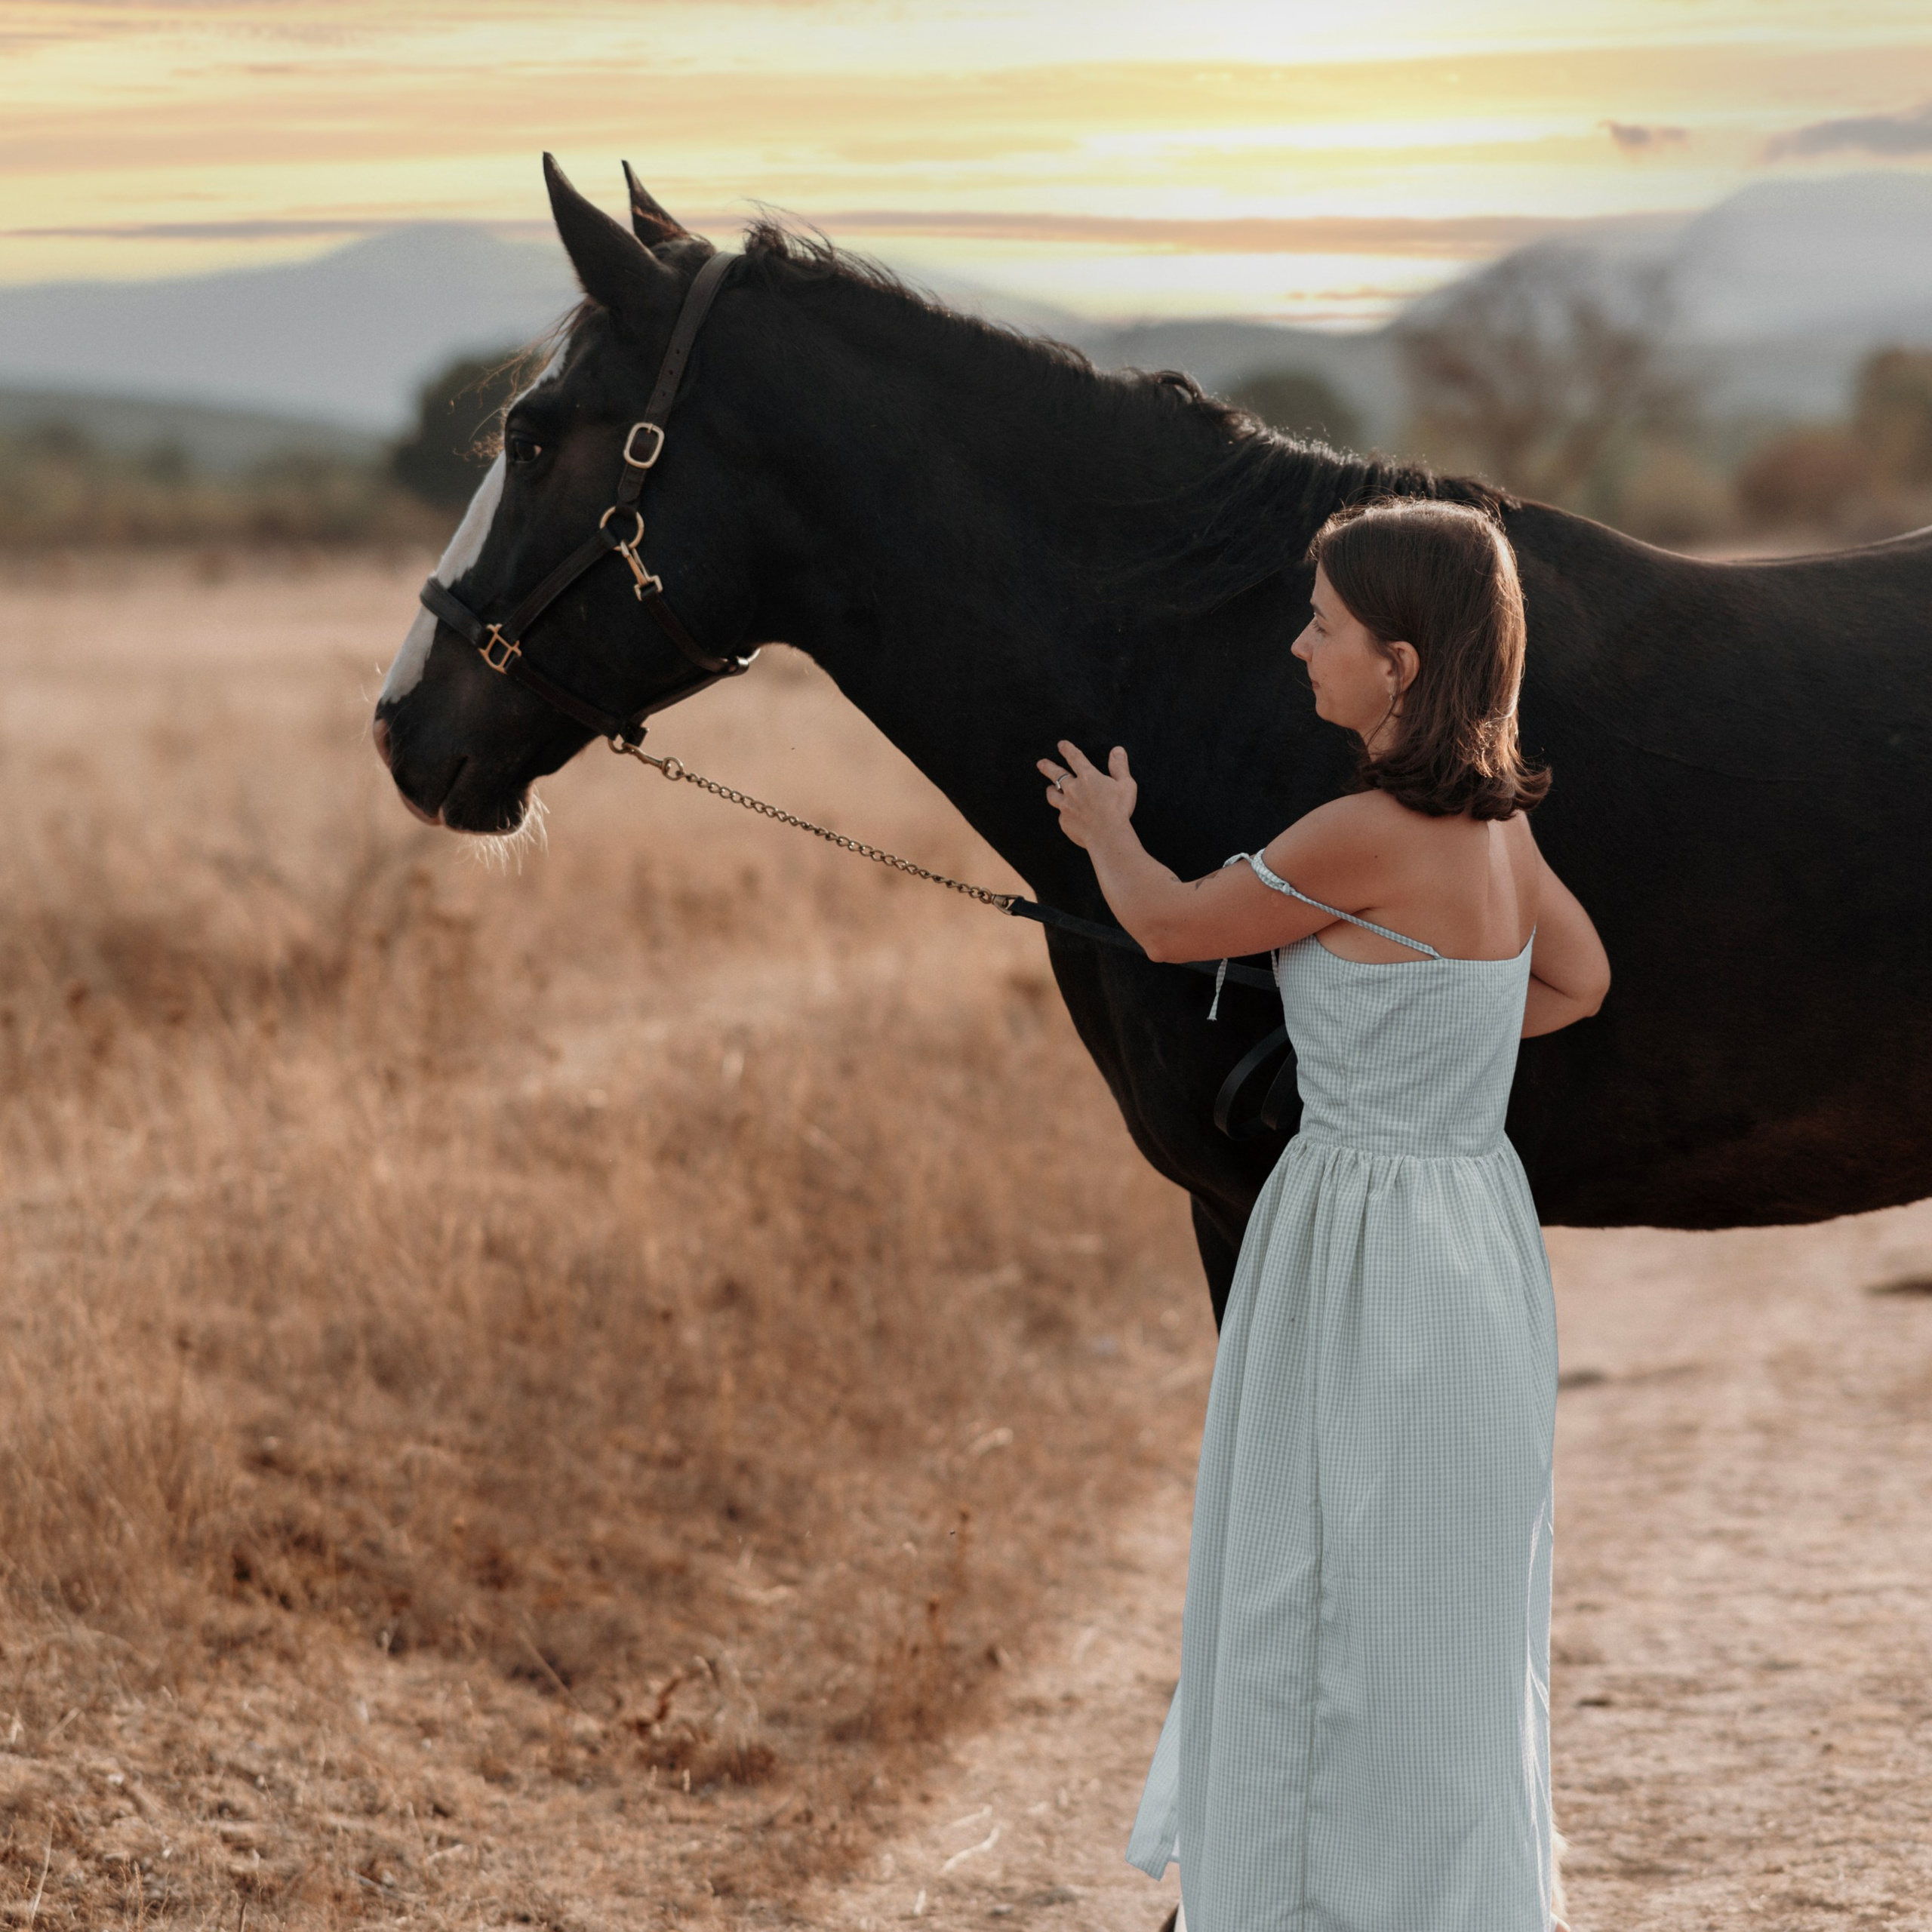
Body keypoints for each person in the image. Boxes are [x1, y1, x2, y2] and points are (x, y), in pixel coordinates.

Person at [1036, 497, 1609, 1932]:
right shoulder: (1503, 839)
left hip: (1359, 1245)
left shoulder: (1360, 831)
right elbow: (1577, 984)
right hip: (1475, 1228)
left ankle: (1303, 1900)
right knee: (1443, 1601)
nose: (1303, 647)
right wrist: (1431, 1046)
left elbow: (1167, 924)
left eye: (1327, 626)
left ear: (1400, 664)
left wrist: (1106, 829)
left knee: (1315, 1577)